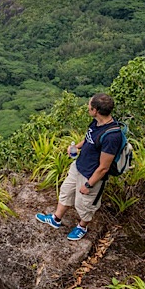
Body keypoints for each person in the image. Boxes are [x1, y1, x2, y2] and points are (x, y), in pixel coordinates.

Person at [36, 93, 121, 240]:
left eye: (89, 106)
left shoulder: (112, 136)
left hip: (91, 175)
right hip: (80, 165)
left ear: (95, 110)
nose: (87, 107)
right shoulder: (97, 122)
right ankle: (56, 219)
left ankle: (82, 226)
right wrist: (77, 146)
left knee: (84, 204)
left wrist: (89, 184)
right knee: (66, 192)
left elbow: (104, 167)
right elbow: (89, 139)